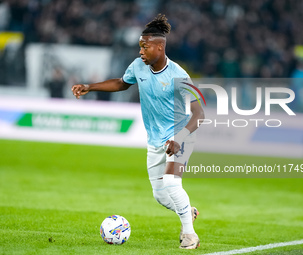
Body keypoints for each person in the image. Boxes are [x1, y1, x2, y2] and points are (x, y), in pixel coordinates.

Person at [72, 14, 204, 249]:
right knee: (160, 196)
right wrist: (90, 87)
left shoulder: (179, 76)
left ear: (160, 46)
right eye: (140, 46)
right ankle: (188, 211)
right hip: (155, 140)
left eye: (145, 46)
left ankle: (189, 234)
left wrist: (180, 138)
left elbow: (199, 114)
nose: (141, 51)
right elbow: (122, 83)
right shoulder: (137, 66)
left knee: (173, 184)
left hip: (181, 136)